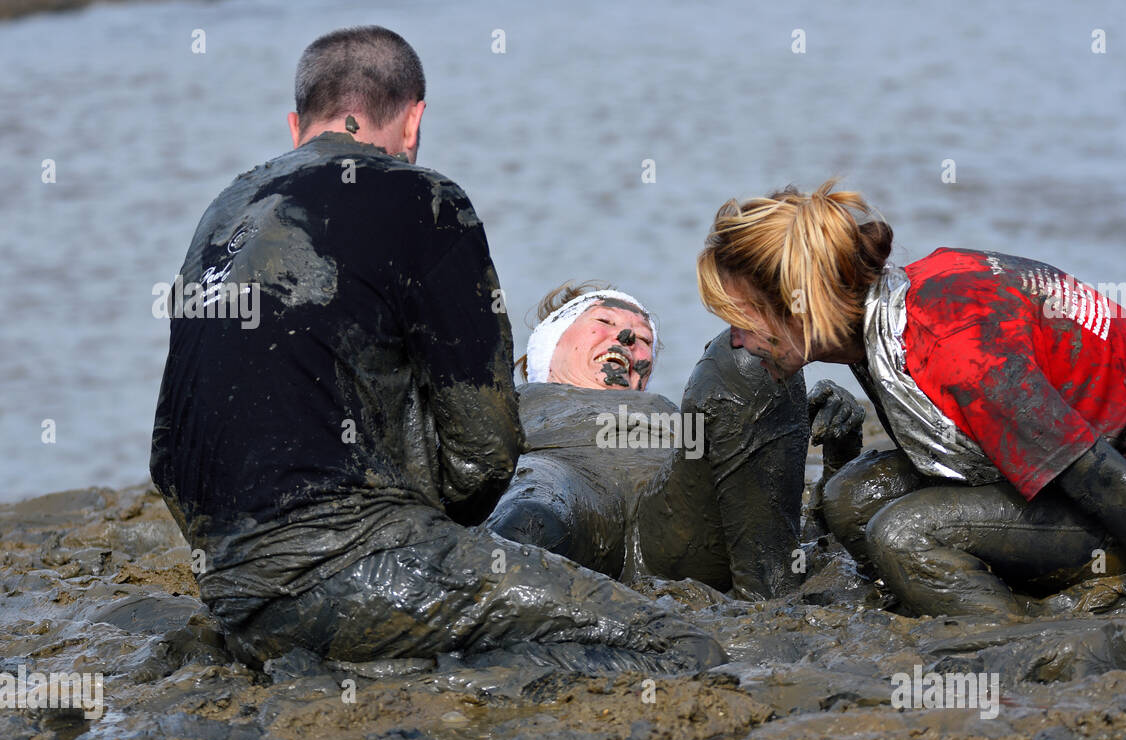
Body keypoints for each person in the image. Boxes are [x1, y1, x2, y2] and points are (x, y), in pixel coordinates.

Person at [149, 26, 721, 673]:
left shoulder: (222, 211)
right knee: (680, 645)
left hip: (229, 589)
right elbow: (484, 451)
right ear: (414, 118)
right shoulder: (425, 199)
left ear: (296, 124)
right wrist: (426, 530)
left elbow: (167, 457)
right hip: (356, 570)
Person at [697, 181, 1126, 618]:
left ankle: (1011, 634)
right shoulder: (882, 320)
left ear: (801, 304)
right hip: (1116, 469)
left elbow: (1094, 471)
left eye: (743, 320)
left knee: (903, 534)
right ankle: (981, 589)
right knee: (852, 499)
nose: (737, 341)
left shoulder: (956, 351)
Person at [486, 282, 865, 598]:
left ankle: (771, 605)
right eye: (603, 321)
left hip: (672, 519)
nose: (626, 337)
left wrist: (838, 455)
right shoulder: (517, 401)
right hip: (566, 486)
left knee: (754, 346)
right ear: (549, 344)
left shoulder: (671, 413)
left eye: (643, 339)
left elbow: (767, 511)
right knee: (532, 518)